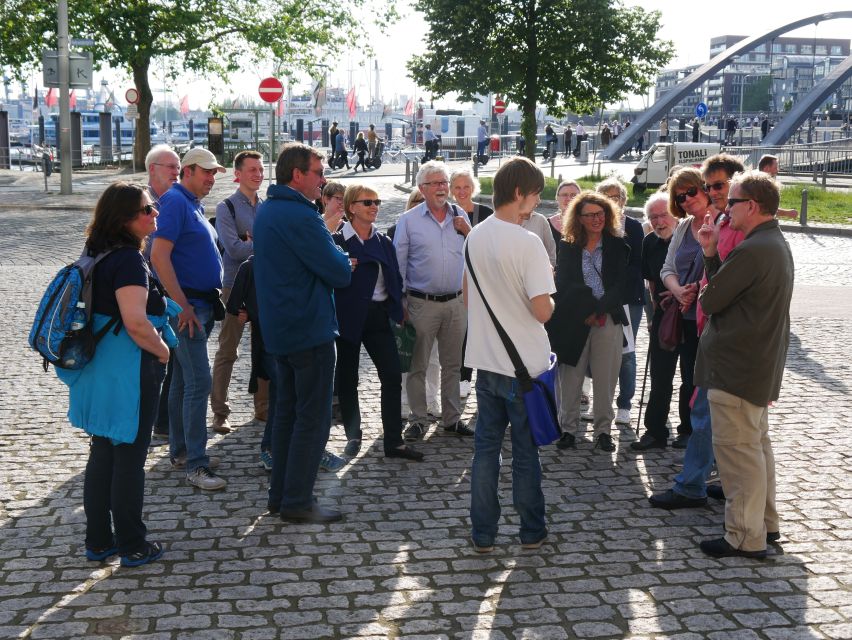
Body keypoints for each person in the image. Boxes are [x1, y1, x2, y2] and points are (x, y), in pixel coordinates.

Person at [61, 182, 172, 567]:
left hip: (100, 368)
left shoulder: (97, 252)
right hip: (128, 368)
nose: (154, 215)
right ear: (123, 218)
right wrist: (163, 351)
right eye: (146, 210)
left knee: (104, 451)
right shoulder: (127, 260)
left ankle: (99, 541)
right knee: (128, 456)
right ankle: (132, 544)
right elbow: (136, 323)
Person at [695, 170, 794, 559]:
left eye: (731, 201)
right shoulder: (773, 242)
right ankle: (764, 525)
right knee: (756, 448)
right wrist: (710, 253)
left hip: (736, 367)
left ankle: (744, 535)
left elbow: (710, 300)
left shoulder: (753, 249)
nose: (724, 207)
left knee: (738, 454)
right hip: (755, 365)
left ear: (752, 206)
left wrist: (711, 264)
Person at [254, 143, 352, 524]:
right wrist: (341, 255)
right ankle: (297, 500)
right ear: (297, 174)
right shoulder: (300, 215)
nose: (323, 179)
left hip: (281, 329)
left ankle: (281, 496)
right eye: (318, 172)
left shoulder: (269, 209)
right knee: (311, 418)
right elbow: (339, 272)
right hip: (307, 329)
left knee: (287, 415)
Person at [465, 157, 555, 553]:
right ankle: (531, 531)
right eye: (535, 194)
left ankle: (482, 534)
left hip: (487, 360)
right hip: (524, 366)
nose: (536, 203)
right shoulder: (528, 241)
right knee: (524, 452)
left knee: (485, 451)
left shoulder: (474, 235)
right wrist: (552, 298)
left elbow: (469, 298)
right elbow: (542, 311)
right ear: (519, 193)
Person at [150, 147, 227, 491]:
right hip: (189, 308)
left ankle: (182, 450)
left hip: (200, 305)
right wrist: (181, 305)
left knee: (182, 380)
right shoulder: (176, 202)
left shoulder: (190, 202)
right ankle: (196, 464)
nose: (212, 179)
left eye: (214, 174)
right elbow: (158, 255)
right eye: (207, 172)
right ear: (190, 171)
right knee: (199, 382)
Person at [332, 184, 424, 462]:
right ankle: (353, 434)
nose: (374, 206)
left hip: (378, 317)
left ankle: (393, 441)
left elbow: (394, 275)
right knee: (347, 379)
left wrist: (398, 306)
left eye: (377, 202)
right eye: (367, 202)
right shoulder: (337, 242)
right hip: (347, 318)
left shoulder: (383, 242)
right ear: (352, 208)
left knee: (392, 375)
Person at [394, 161, 473, 442]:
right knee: (418, 365)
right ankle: (418, 418)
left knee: (453, 365)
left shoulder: (460, 215)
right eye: (436, 183)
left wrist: (467, 230)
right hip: (420, 303)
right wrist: (400, 302)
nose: (442, 187)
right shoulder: (409, 220)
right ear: (422, 188)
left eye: (444, 182)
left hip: (456, 303)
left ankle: (452, 420)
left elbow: (475, 254)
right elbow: (398, 264)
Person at [548, 191, 629, 453]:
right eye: (590, 215)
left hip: (607, 319)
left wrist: (600, 309)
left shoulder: (618, 245)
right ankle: (568, 429)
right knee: (570, 376)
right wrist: (587, 308)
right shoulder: (568, 245)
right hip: (575, 319)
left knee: (606, 378)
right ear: (579, 218)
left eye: (601, 213)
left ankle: (603, 431)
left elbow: (621, 285)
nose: (597, 219)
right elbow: (564, 284)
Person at [210, 150, 266, 436]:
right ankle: (220, 412)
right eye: (252, 170)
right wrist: (260, 244)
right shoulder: (226, 207)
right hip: (234, 285)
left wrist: (253, 241)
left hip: (265, 284)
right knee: (228, 350)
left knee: (264, 347)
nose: (258, 174)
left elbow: (274, 245)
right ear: (238, 174)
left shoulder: (266, 206)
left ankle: (263, 407)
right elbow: (233, 249)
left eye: (260, 169)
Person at [629, 193, 679, 451]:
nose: (659, 222)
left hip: (692, 316)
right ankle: (655, 431)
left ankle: (687, 432)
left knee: (692, 378)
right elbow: (650, 282)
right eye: (653, 217)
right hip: (662, 314)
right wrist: (654, 315)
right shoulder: (650, 242)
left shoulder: (688, 239)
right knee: (660, 376)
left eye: (663, 215)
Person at [596, 179, 644, 428]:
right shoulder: (594, 224)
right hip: (598, 297)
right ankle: (599, 404)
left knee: (626, 353)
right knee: (598, 351)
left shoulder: (633, 226)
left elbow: (637, 264)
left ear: (623, 201)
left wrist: (616, 288)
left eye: (615, 197)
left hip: (627, 298)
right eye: (605, 196)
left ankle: (624, 404)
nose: (611, 201)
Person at [389, 188, 441, 419]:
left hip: (433, 300)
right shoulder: (396, 229)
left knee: (433, 356)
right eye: (418, 200)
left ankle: (431, 400)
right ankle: (403, 403)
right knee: (406, 354)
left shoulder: (442, 227)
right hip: (408, 299)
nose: (423, 204)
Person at [143, 144, 180, 440]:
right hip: (146, 298)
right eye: (171, 166)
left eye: (178, 167)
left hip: (171, 299)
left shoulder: (176, 201)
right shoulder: (141, 203)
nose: (176, 172)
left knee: (172, 360)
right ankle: (153, 421)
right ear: (152, 169)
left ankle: (164, 422)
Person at [450, 168, 494, 398]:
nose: (462, 191)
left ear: (473, 188)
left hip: (482, 281)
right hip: (455, 282)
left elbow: (490, 248)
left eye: (466, 186)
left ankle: (484, 379)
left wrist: (467, 230)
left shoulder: (485, 213)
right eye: (457, 187)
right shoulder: (445, 213)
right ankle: (463, 377)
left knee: (484, 330)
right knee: (462, 332)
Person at [758, 155, 798, 219]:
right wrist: (788, 213)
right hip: (763, 225)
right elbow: (767, 210)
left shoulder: (756, 182)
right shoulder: (762, 186)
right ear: (767, 168)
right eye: (775, 168)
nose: (777, 171)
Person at [548, 180, 580, 246]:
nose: (569, 198)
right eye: (564, 195)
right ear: (557, 198)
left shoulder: (587, 223)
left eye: (574, 195)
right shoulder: (547, 224)